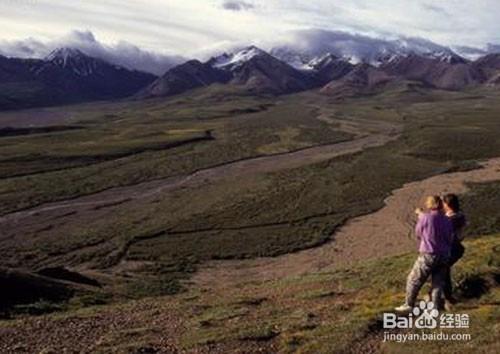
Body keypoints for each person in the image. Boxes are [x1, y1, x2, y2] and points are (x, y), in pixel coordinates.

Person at [395, 196, 454, 312]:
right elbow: (449, 237)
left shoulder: (426, 218)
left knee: (414, 279)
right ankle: (436, 307)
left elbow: (418, 233)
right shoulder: (447, 220)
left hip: (429, 253)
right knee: (437, 282)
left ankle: (409, 304)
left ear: (430, 204)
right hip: (444, 254)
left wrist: (421, 216)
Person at [441, 194, 467, 304]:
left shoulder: (450, 219)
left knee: (442, 270)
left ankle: (447, 297)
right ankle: (446, 296)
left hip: (451, 248)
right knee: (444, 271)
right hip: (457, 247)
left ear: (447, 204)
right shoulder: (460, 215)